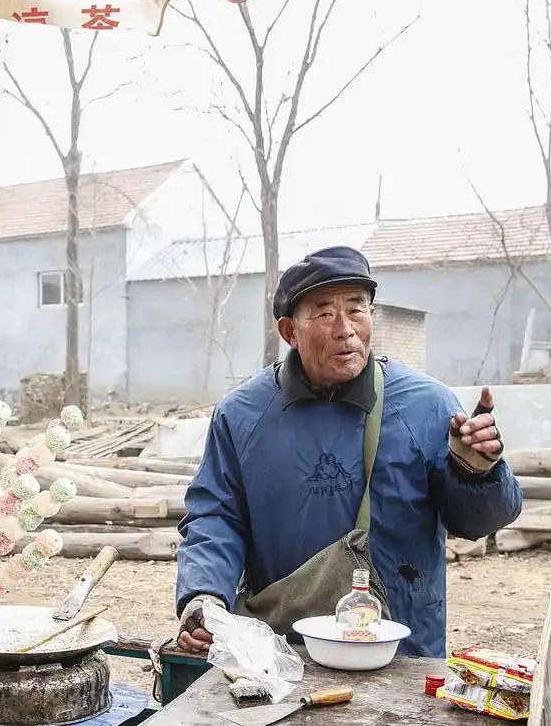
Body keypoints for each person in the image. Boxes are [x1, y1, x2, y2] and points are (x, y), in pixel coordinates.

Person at [174, 246, 523, 658]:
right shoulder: (242, 415)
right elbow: (216, 516)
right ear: (289, 332)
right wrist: (204, 595)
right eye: (324, 314)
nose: (346, 329)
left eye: (357, 309)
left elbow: (477, 523)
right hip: (281, 652)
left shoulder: (425, 405)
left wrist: (476, 472)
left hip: (401, 647)